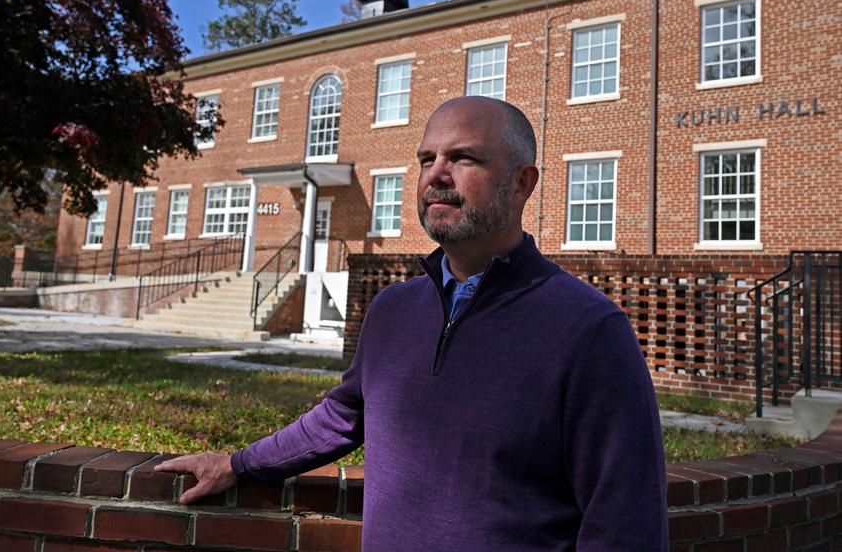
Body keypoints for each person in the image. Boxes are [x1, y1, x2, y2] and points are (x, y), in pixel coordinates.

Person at [156, 96, 668, 551]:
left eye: (462, 157)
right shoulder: (393, 309)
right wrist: (240, 464)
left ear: (521, 183)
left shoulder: (587, 326)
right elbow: (342, 417)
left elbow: (625, 518)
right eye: (427, 159)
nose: (436, 174)